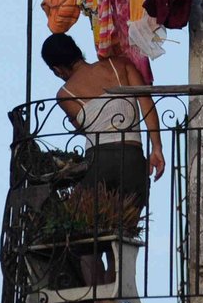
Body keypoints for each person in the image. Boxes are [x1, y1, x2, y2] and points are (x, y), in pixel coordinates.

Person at [41, 33, 165, 217]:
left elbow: (88, 129)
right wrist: (156, 147)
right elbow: (147, 104)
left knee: (89, 225)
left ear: (57, 69)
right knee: (127, 227)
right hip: (131, 158)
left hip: (98, 160)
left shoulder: (65, 95)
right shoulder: (121, 65)